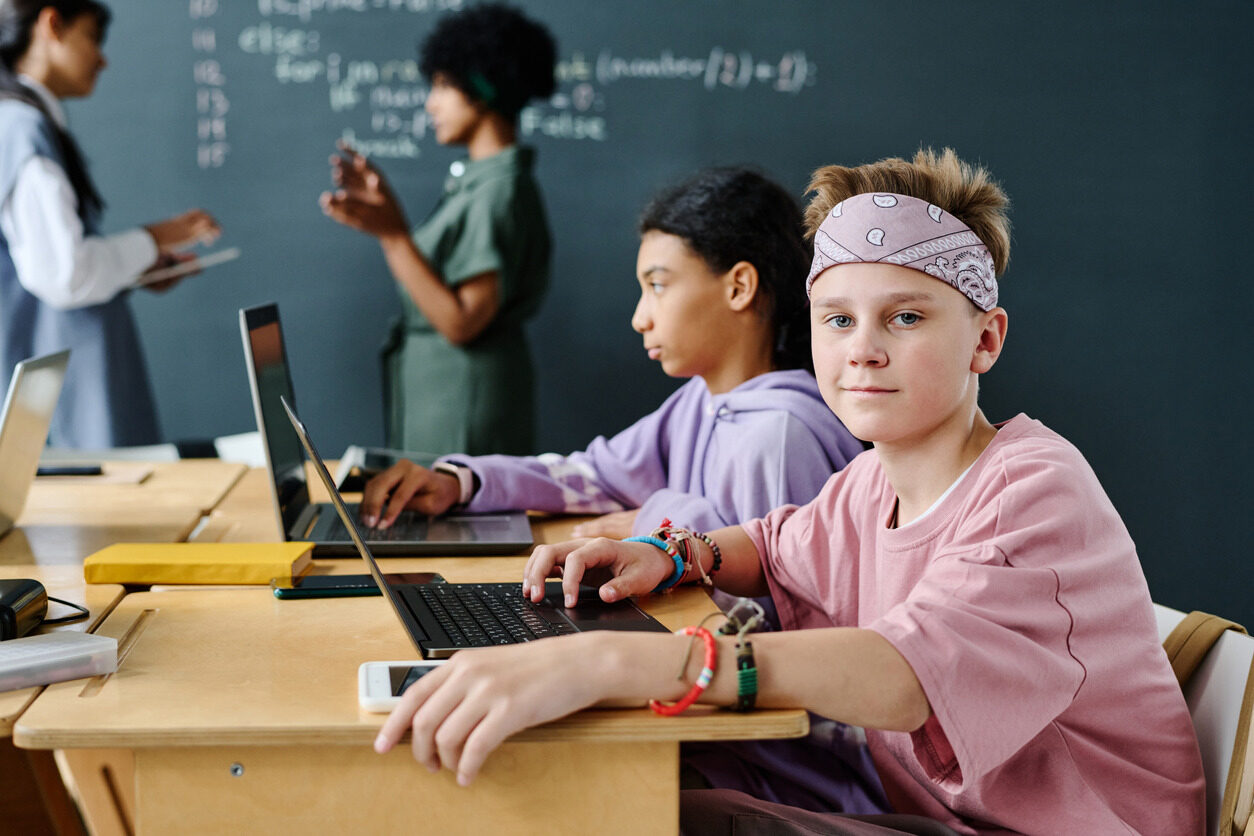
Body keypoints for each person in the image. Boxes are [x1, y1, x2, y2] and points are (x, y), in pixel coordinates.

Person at [372, 149, 1206, 835]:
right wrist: (670, 554)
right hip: (933, 820)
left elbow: (904, 673)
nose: (864, 350)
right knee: (633, 805)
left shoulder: (1035, 489)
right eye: (838, 320)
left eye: (906, 318)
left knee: (637, 814)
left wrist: (612, 660)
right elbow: (771, 544)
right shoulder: (871, 479)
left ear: (984, 339)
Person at [360, 166, 884, 814]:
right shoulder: (701, 401)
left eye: (658, 286)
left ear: (740, 286)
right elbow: (593, 474)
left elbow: (760, 629)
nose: (640, 317)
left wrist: (654, 517)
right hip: (712, 732)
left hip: (775, 769)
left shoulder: (778, 435)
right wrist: (461, 480)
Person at [320, 3, 555, 457]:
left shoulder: (497, 191)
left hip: (463, 404)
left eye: (444, 85)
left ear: (482, 87)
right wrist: (390, 220)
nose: (431, 103)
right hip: (447, 395)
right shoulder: (480, 182)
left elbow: (462, 321)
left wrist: (392, 235)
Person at [0, 0, 220, 448]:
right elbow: (66, 275)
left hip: (62, 391)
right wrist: (159, 235)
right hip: (59, 404)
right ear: (51, 24)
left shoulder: (28, 124)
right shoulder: (21, 129)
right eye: (93, 38)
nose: (103, 59)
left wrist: (133, 269)